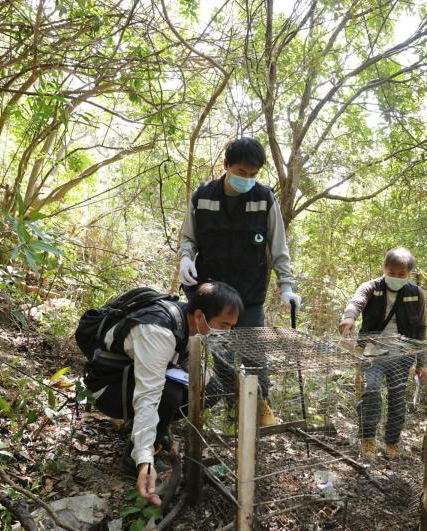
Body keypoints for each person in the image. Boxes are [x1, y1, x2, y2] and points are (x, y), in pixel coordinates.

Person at [84, 282, 243, 504]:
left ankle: (153, 431)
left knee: (212, 389)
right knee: (169, 394)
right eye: (223, 325)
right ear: (200, 315)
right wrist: (145, 461)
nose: (226, 333)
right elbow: (147, 396)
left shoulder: (188, 321)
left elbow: (191, 364)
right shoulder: (157, 331)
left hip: (131, 377)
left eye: (231, 327)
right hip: (108, 388)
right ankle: (136, 457)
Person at [177, 137, 300, 424]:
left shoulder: (264, 198)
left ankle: (261, 409)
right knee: (219, 356)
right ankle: (234, 410)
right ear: (226, 166)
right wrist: (185, 257)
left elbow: (279, 247)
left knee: (255, 356)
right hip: (212, 294)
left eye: (254, 174)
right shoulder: (203, 196)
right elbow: (188, 237)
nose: (248, 179)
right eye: (242, 172)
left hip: (250, 294)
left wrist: (287, 286)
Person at [339, 247, 427, 459]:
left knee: (397, 398)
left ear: (409, 274)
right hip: (372, 352)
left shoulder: (416, 293)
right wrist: (349, 318)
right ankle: (368, 439)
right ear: (384, 268)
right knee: (370, 391)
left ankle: (392, 442)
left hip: (402, 355)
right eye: (392, 273)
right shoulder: (371, 287)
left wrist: (421, 362)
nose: (396, 277)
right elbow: (356, 302)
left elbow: (421, 329)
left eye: (401, 275)